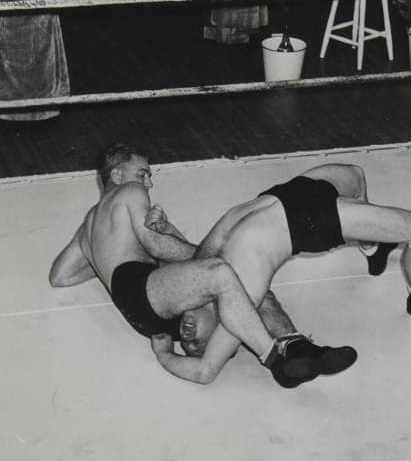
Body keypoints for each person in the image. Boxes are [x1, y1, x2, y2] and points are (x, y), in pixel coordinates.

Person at [49, 144, 357, 388]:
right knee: (225, 273)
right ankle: (274, 358)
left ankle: (298, 349)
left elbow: (61, 275)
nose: (149, 182)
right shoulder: (131, 192)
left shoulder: (88, 224)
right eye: (143, 173)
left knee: (244, 288)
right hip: (144, 289)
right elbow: (157, 247)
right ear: (117, 175)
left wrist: (106, 259)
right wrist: (212, 255)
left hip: (144, 311)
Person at [151, 163, 411, 385]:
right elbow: (206, 371)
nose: (187, 335)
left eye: (183, 338)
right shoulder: (237, 301)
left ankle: (374, 247)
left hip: (286, 194)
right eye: (196, 344)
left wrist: (165, 229)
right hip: (309, 222)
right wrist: (164, 354)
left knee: (356, 175)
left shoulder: (201, 274)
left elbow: (189, 253)